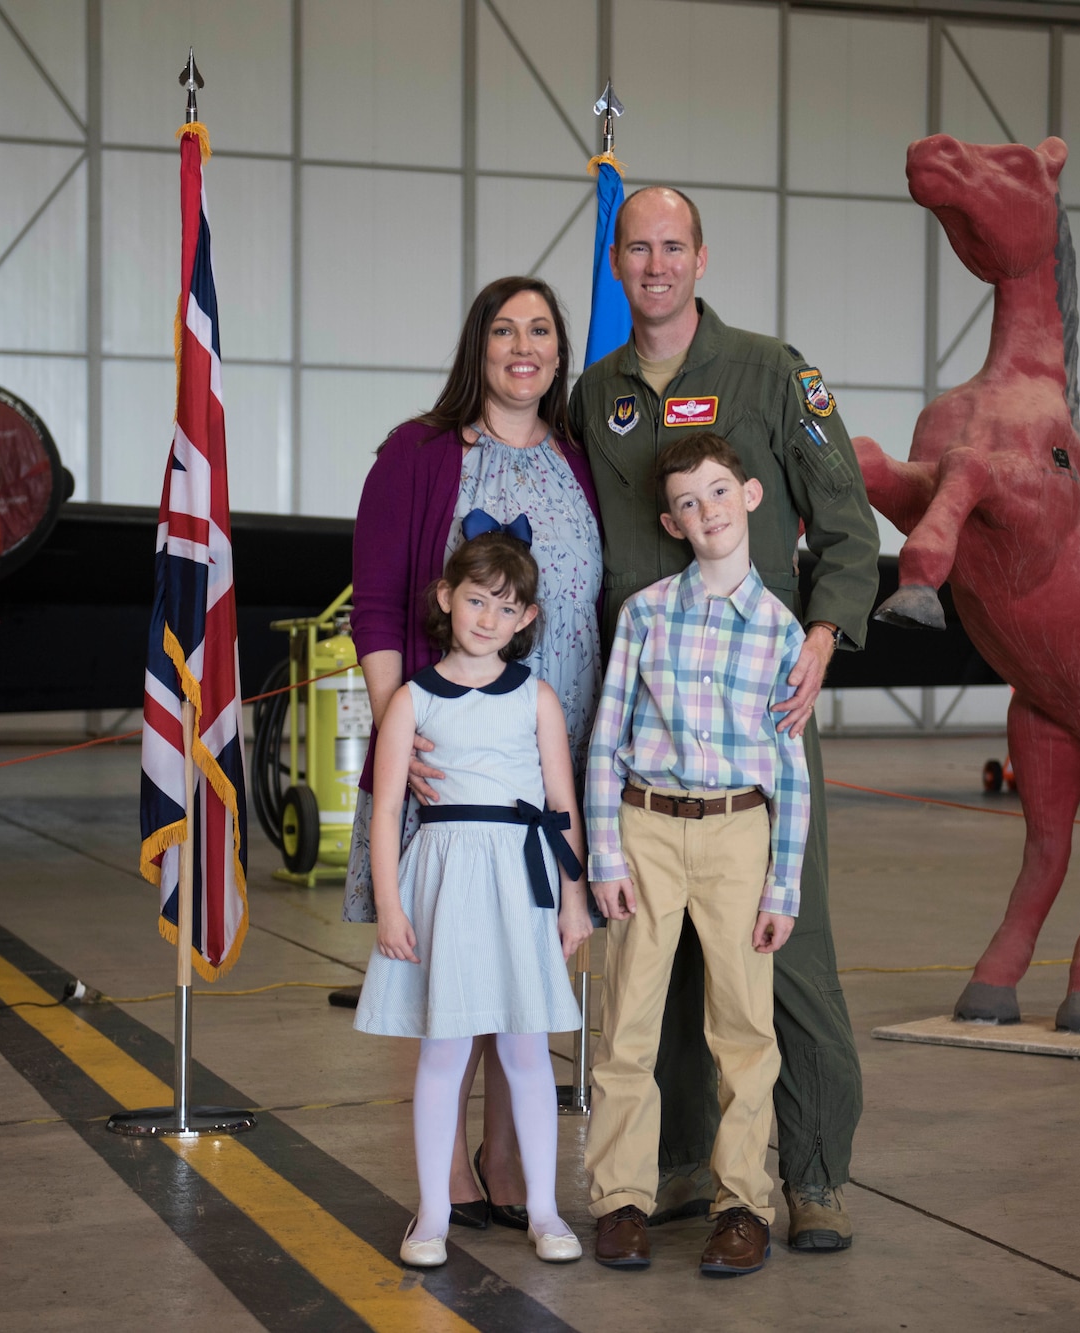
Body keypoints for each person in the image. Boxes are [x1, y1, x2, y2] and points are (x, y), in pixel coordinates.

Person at [566, 186, 880, 1252]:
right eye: (635, 248)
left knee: (783, 955)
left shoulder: (768, 370)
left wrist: (823, 638)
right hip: (645, 721)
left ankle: (815, 1177)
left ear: (699, 257)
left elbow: (847, 524)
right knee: (651, 976)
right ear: (615, 261)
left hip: (755, 720)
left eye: (671, 246)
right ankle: (679, 1170)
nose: (653, 265)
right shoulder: (591, 391)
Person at [347, 276, 605, 1229]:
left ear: (558, 351)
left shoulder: (579, 461)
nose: (522, 346)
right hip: (447, 752)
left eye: (540, 330)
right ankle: (447, 1171)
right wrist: (399, 733)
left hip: (552, 741)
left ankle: (508, 1158)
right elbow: (378, 604)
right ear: (478, 345)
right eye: (504, 329)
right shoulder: (416, 454)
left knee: (521, 960)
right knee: (454, 965)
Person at [583, 433, 812, 1276]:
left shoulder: (782, 632)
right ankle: (621, 1201)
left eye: (719, 492)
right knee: (627, 1024)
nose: (706, 510)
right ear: (670, 521)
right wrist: (604, 854)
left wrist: (781, 883)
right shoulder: (643, 614)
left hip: (737, 833)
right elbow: (607, 740)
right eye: (688, 501)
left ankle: (743, 1205)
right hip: (645, 829)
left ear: (750, 497)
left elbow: (790, 771)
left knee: (745, 1028)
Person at [354, 532, 594, 1268]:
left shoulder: (537, 697)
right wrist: (390, 906)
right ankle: (430, 1211)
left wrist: (574, 897)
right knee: (444, 1050)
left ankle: (546, 1209)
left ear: (527, 619)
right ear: (446, 598)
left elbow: (562, 802)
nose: (489, 617)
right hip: (445, 882)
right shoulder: (411, 698)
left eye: (507, 606)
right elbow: (388, 809)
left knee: (526, 1048)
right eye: (478, 599)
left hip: (520, 880)